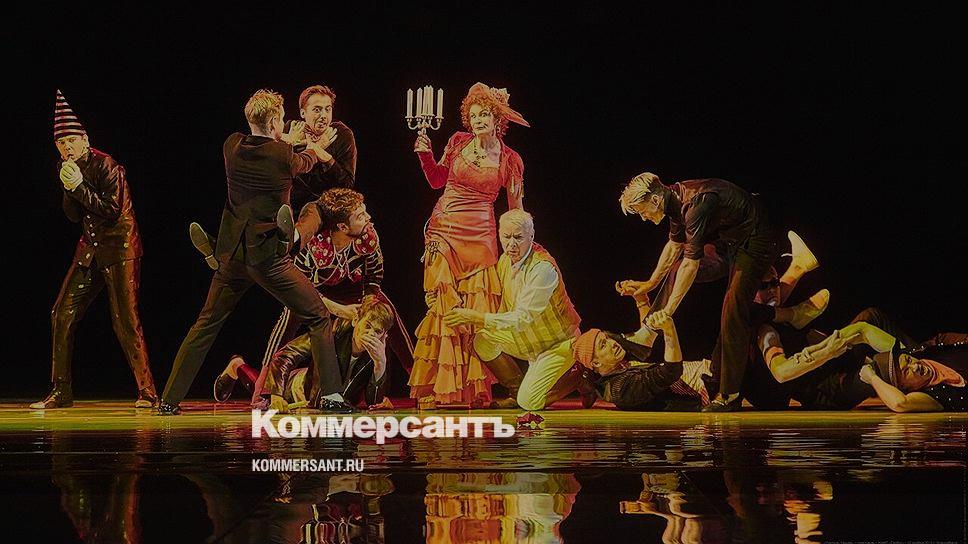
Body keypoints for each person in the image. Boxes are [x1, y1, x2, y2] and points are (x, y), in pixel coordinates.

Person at [158, 89, 350, 414]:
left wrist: (285, 138)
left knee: (205, 324)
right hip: (268, 259)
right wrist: (313, 149)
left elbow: (272, 146)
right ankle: (332, 395)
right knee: (317, 315)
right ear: (275, 121)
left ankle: (168, 400)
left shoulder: (231, 145)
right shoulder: (284, 156)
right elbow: (304, 161)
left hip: (232, 255)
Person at [32, 90, 158, 410]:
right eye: (61, 142)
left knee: (125, 320)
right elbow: (74, 216)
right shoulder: (68, 167)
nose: (67, 147)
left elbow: (111, 210)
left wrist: (78, 187)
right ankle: (61, 391)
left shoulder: (106, 165)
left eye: (71, 140)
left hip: (119, 248)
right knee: (61, 313)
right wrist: (68, 188)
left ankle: (147, 391)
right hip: (91, 248)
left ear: (85, 140)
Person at [619, 172, 784, 411]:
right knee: (676, 270)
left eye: (641, 211)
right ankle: (648, 334)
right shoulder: (674, 200)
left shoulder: (695, 204)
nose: (643, 218)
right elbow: (674, 246)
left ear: (654, 200)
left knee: (732, 311)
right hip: (733, 242)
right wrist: (650, 283)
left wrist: (668, 311)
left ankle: (729, 394)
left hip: (758, 240)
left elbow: (691, 264)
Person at [409, 83, 529, 407]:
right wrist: (425, 155)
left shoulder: (510, 160)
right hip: (444, 229)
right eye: (473, 115)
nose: (478, 120)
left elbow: (515, 209)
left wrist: (519, 247)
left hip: (480, 237)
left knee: (476, 313)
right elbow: (437, 180)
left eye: (484, 114)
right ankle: (441, 389)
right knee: (444, 307)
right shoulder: (457, 142)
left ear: (497, 119)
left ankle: (472, 389)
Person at [443, 210, 581, 410]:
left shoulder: (542, 268)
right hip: (528, 340)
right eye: (506, 237)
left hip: (557, 343)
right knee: (483, 340)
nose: (511, 244)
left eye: (518, 237)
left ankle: (579, 376)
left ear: (531, 236)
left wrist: (475, 317)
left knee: (530, 402)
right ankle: (515, 390)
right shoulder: (505, 262)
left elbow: (522, 318)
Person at [213, 297, 394, 411]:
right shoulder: (331, 333)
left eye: (377, 331)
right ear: (356, 320)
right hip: (297, 389)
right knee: (260, 394)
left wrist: (380, 365)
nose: (370, 334)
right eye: (367, 326)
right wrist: (277, 394)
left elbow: (373, 402)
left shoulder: (379, 353)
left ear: (384, 335)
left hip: (327, 404)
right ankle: (237, 365)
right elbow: (286, 354)